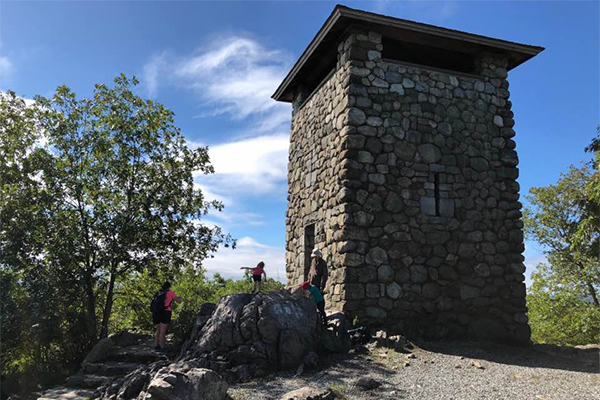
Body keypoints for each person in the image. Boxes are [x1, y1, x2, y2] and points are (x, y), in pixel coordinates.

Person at [152, 281, 182, 352]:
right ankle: (162, 347)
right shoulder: (170, 293)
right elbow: (178, 301)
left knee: (158, 330)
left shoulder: (158, 293)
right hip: (165, 312)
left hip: (156, 312)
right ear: (169, 286)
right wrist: (180, 298)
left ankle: (156, 345)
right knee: (163, 331)